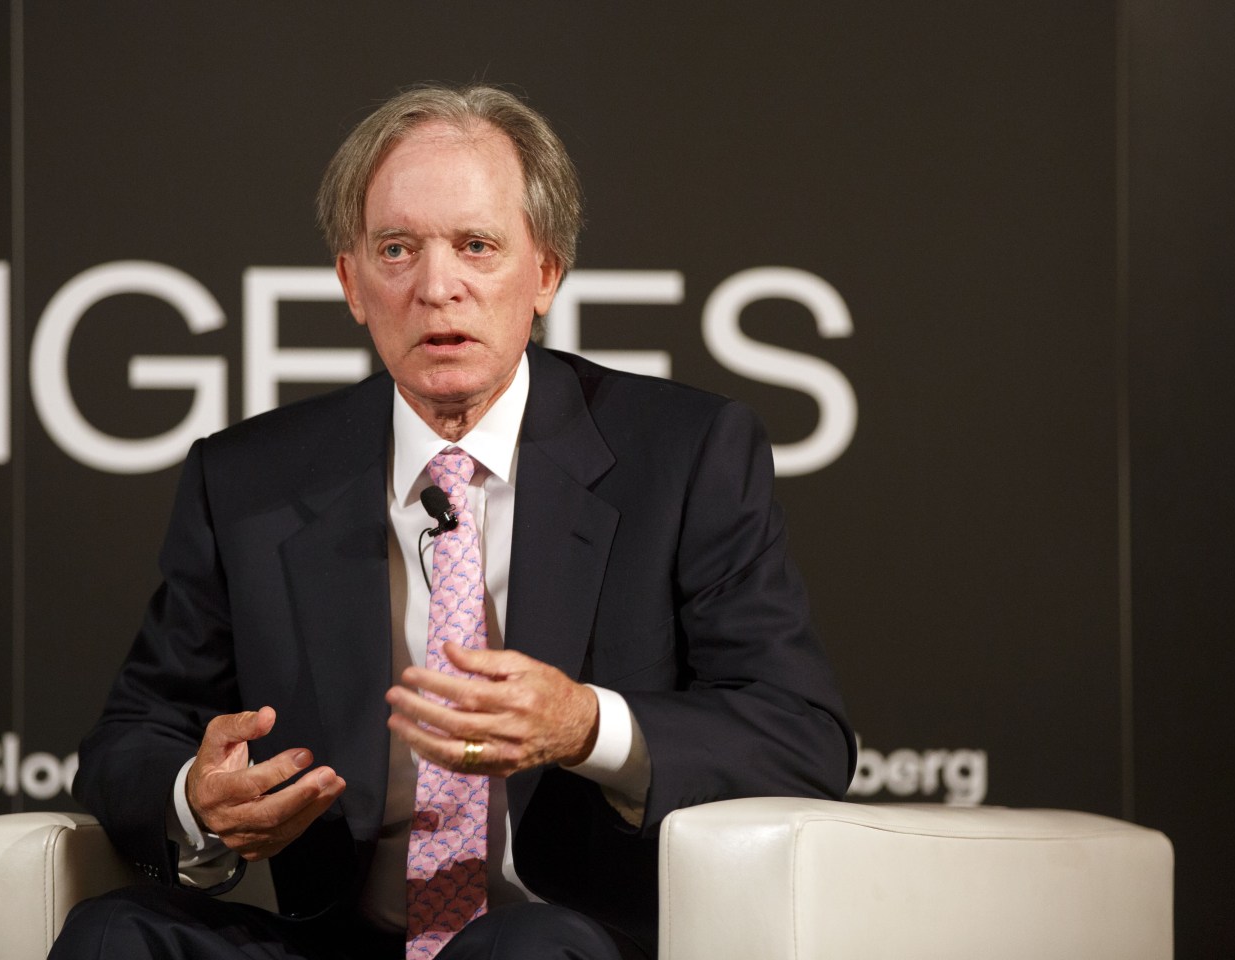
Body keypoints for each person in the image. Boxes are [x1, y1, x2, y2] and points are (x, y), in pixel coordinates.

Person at [52, 83, 854, 960]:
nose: (438, 289)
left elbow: (801, 735)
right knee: (114, 934)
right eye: (397, 250)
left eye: (477, 246)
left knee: (528, 950)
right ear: (352, 284)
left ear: (544, 273)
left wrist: (586, 725)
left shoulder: (684, 454)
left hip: (562, 938)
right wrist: (195, 797)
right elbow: (133, 734)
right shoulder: (249, 481)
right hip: (339, 941)